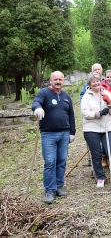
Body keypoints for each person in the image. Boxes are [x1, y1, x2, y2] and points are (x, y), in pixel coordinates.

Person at [32, 71, 76, 204]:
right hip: (48, 134)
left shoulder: (66, 96)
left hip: (64, 134)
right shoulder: (44, 93)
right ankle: (50, 190)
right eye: (55, 79)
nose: (58, 82)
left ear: (63, 81)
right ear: (50, 81)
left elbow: (71, 116)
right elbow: (36, 103)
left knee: (61, 161)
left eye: (60, 80)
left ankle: (58, 186)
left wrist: (72, 132)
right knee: (50, 162)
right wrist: (37, 109)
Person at [81, 72, 111, 188]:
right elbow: (85, 113)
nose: (96, 83)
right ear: (90, 84)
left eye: (97, 81)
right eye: (93, 82)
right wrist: (99, 113)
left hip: (107, 127)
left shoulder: (106, 93)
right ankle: (100, 177)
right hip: (91, 129)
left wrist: (110, 103)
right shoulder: (86, 96)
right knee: (96, 154)